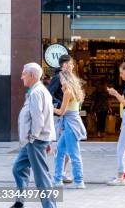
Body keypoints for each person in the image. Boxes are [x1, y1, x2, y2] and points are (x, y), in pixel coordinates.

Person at [11, 63, 57, 208]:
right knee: (18, 168)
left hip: (34, 141)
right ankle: (20, 201)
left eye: (24, 74)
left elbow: (38, 119)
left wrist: (33, 137)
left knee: (41, 177)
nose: (21, 77)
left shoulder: (37, 92)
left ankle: (50, 206)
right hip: (32, 141)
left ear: (32, 75)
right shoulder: (36, 91)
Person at [52, 71, 87, 188]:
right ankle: (57, 179)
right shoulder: (74, 91)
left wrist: (50, 108)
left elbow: (61, 112)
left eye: (61, 78)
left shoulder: (68, 92)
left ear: (65, 79)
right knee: (60, 152)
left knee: (73, 153)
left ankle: (79, 181)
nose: (60, 81)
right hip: (71, 124)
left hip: (70, 125)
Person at [46, 54, 74, 184]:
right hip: (60, 115)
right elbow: (48, 94)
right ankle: (59, 173)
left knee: (66, 147)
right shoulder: (58, 77)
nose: (73, 66)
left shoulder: (68, 77)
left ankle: (61, 172)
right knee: (64, 147)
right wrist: (61, 103)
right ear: (64, 65)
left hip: (66, 115)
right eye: (71, 64)